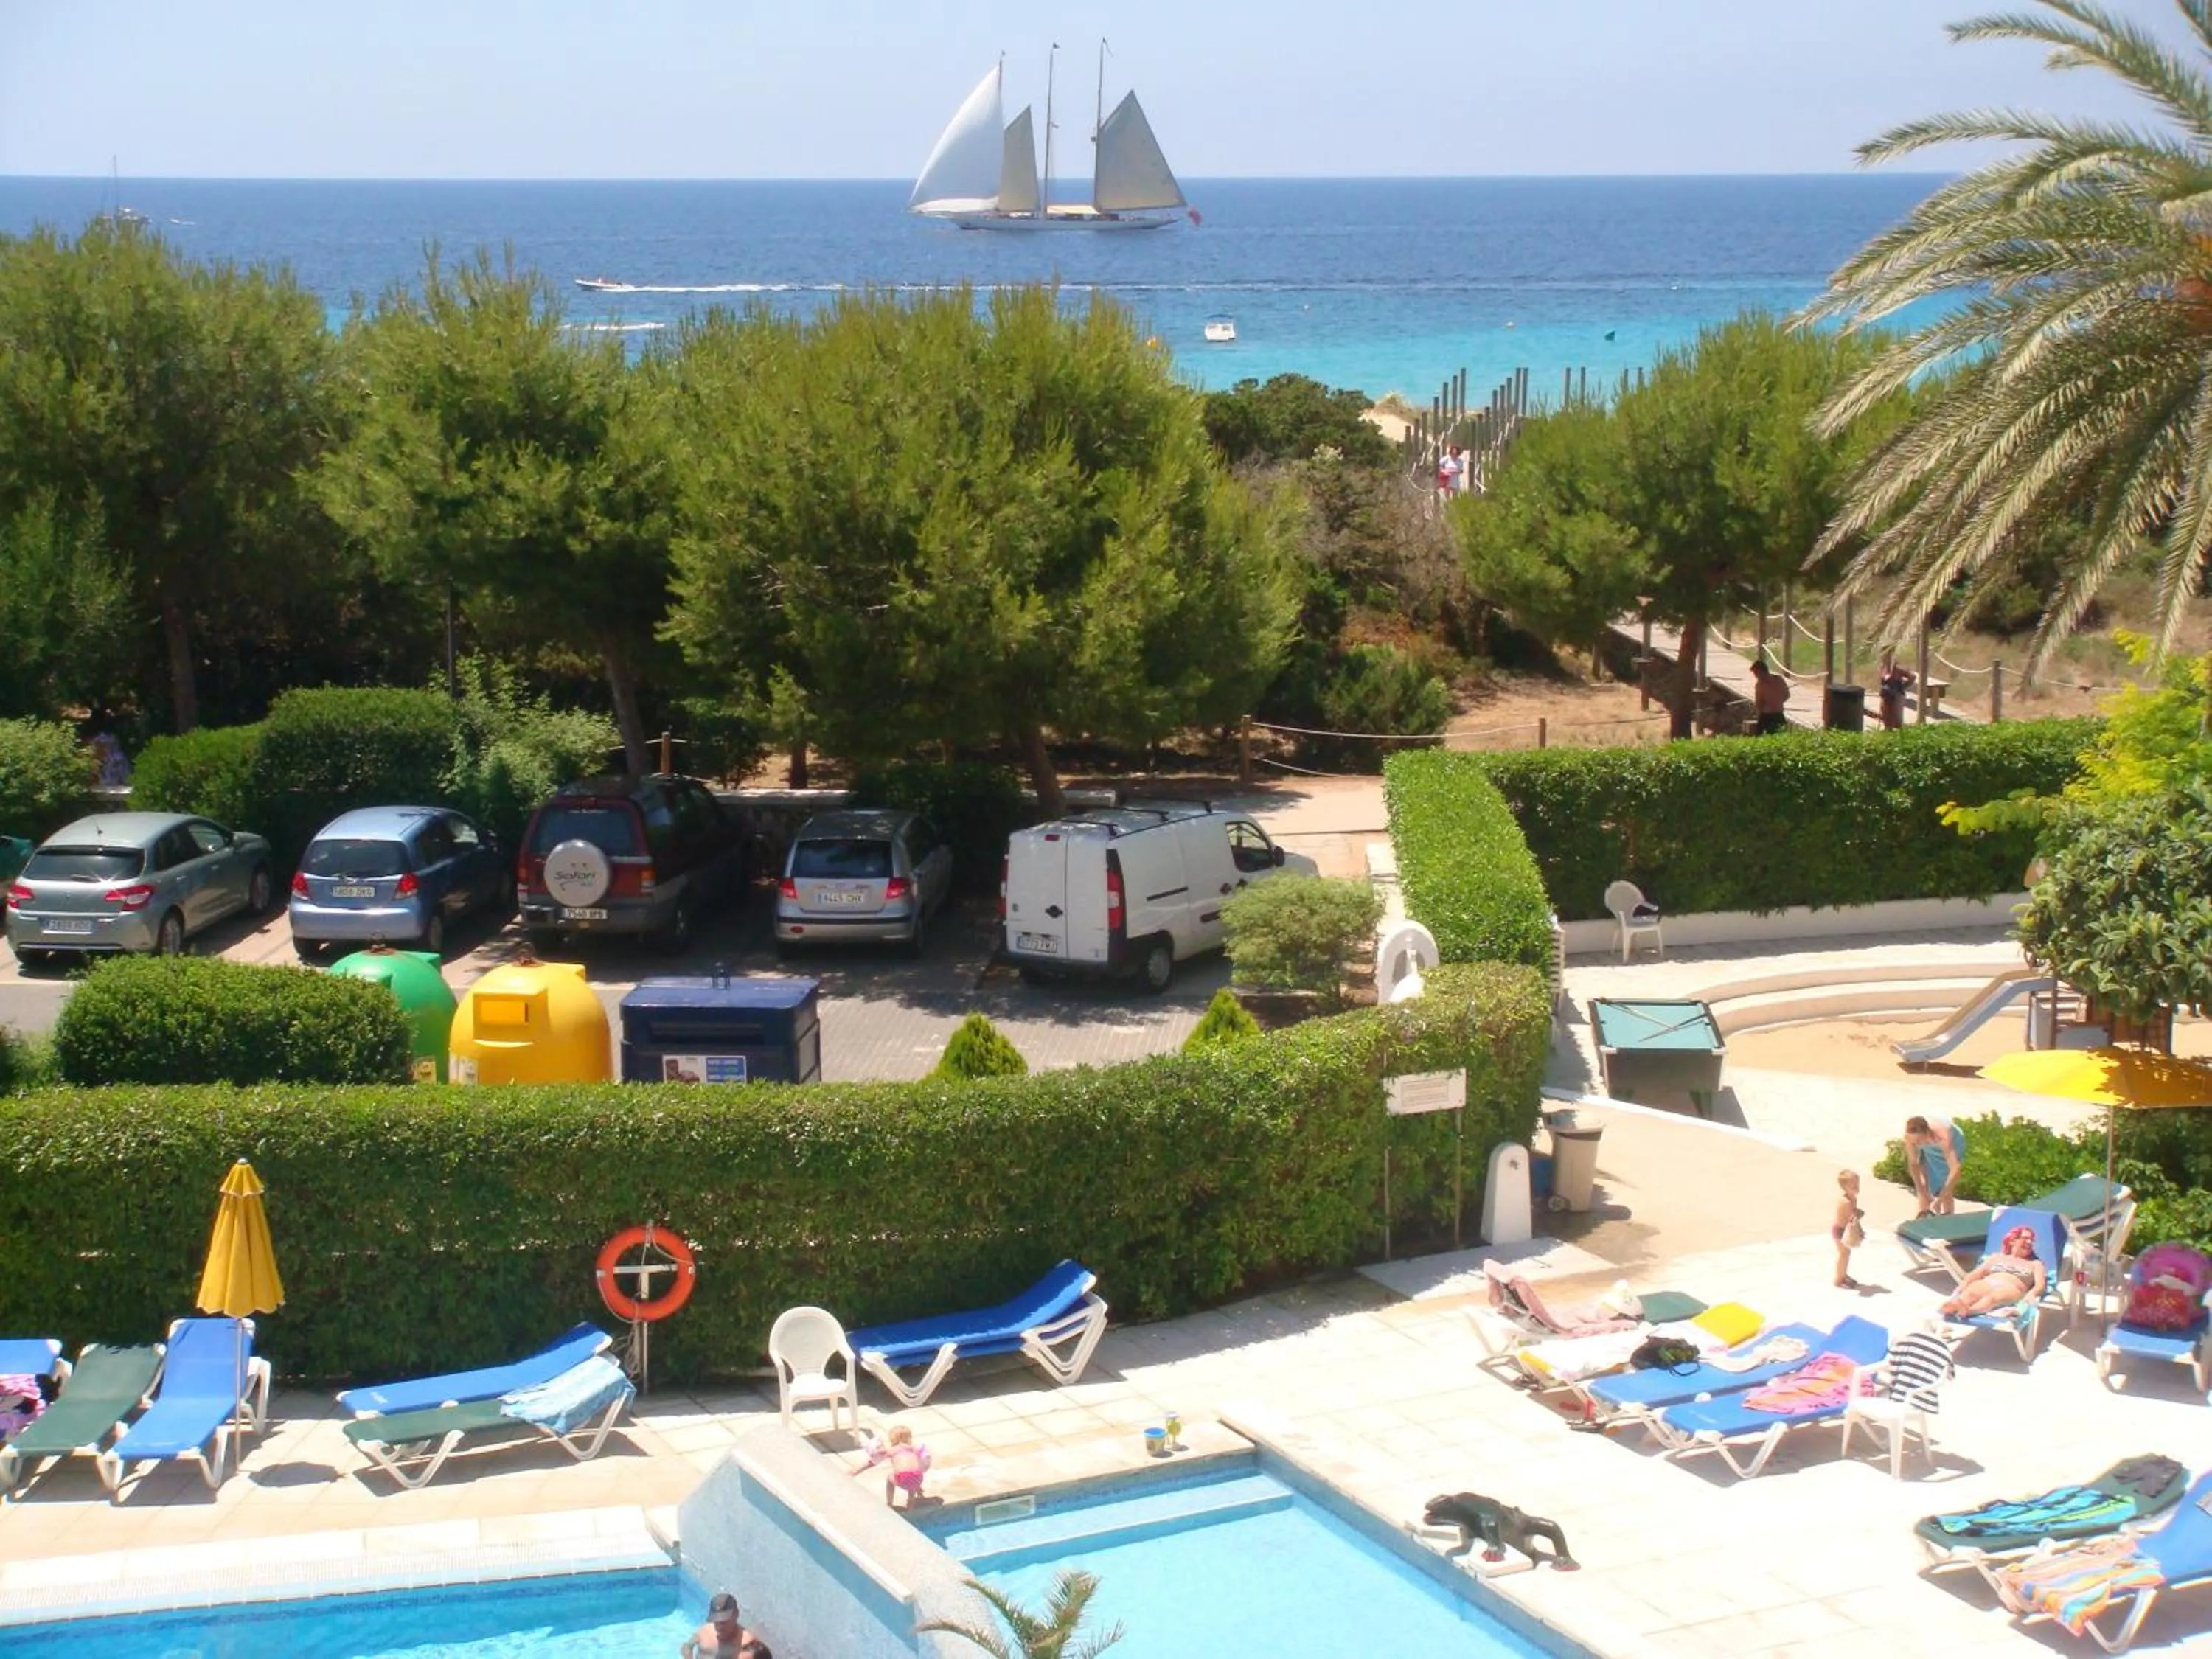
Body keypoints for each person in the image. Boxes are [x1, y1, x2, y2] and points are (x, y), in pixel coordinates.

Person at [1941, 1224, 2046, 1318]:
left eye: (2031, 1240)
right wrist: (1961, 1287)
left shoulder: (2035, 1263)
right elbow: (1978, 1273)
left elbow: (2040, 1285)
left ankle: (1969, 1311)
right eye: (2025, 1238)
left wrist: (2032, 1294)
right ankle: (1955, 1306)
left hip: (2012, 1287)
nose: (2030, 1242)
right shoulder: (1996, 1257)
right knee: (1970, 1293)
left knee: (1992, 1298)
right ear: (2012, 1240)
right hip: (1989, 1282)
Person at [1904, 1115, 1966, 1216]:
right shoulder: (1910, 1138)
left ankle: (1948, 1214)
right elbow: (1913, 1163)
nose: (1917, 1145)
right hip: (1930, 1141)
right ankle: (1923, 1214)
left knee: (1945, 1178)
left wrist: (1939, 1200)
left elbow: (1956, 1170)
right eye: (1914, 1143)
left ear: (1927, 1133)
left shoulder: (1943, 1136)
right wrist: (1921, 1192)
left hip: (1954, 1140)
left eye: (1919, 1142)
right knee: (1923, 1182)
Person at [863, 1421, 932, 1509]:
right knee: (913, 1473)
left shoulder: (893, 1450)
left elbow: (880, 1455)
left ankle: (890, 1504)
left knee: (890, 1478)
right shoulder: (913, 1448)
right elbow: (921, 1462)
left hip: (903, 1478)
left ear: (893, 1439)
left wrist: (875, 1449)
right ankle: (911, 1503)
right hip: (918, 1478)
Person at [681, 1590, 750, 1658]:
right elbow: (686, 1647)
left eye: (724, 1622)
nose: (720, 1627)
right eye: (716, 1621)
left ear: (736, 1615)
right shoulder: (706, 1631)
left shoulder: (746, 1644)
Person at [1833, 1169, 1866, 1290]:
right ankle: (1838, 1279)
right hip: (1840, 1231)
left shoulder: (1853, 1199)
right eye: (1853, 1186)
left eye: (1857, 1185)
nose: (1857, 1188)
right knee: (1844, 1254)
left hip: (1846, 1229)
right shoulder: (1846, 1202)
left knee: (1847, 1254)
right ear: (1845, 1187)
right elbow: (1852, 1218)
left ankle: (1843, 1275)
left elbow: (1853, 1218)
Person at [1878, 647, 1916, 730]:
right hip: (1886, 695)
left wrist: (1903, 686)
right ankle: (1887, 731)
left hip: (1896, 696)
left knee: (1896, 718)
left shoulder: (1897, 668)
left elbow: (1912, 676)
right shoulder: (1882, 666)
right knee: (1885, 715)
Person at [1749, 660, 1790, 734]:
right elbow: (1759, 704)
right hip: (1768, 715)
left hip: (1775, 716)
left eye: (1756, 673)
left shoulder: (1777, 680)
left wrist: (1776, 702)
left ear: (1762, 672)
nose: (1755, 676)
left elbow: (1786, 695)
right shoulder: (1777, 680)